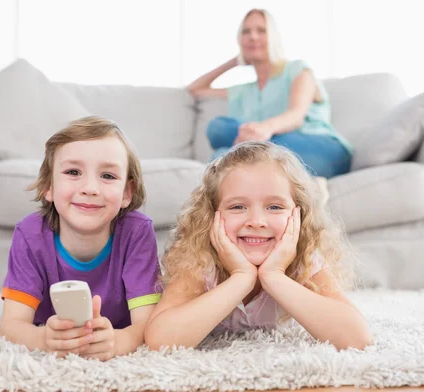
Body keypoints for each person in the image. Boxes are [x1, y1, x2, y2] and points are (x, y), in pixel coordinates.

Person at [144, 141, 371, 351]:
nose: (256, 221)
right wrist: (241, 278)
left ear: (298, 215)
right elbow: (160, 340)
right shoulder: (198, 258)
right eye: (237, 207)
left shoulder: (305, 257)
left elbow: (357, 338)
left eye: (274, 207)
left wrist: (274, 276)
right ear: (211, 215)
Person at [0, 116, 161, 361]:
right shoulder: (30, 234)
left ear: (127, 192)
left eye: (107, 176)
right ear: (48, 186)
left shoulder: (136, 232)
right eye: (73, 172)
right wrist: (43, 339)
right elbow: (10, 326)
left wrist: (117, 341)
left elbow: (148, 326)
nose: (90, 188)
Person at [187, 9, 353, 179]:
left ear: (274, 37)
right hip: (273, 154)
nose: (253, 36)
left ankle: (255, 150)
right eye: (246, 32)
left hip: (320, 148)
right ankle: (256, 155)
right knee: (218, 138)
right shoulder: (243, 91)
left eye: (261, 30)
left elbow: (296, 115)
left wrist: (264, 128)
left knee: (222, 133)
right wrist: (235, 61)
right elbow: (195, 90)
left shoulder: (297, 70)